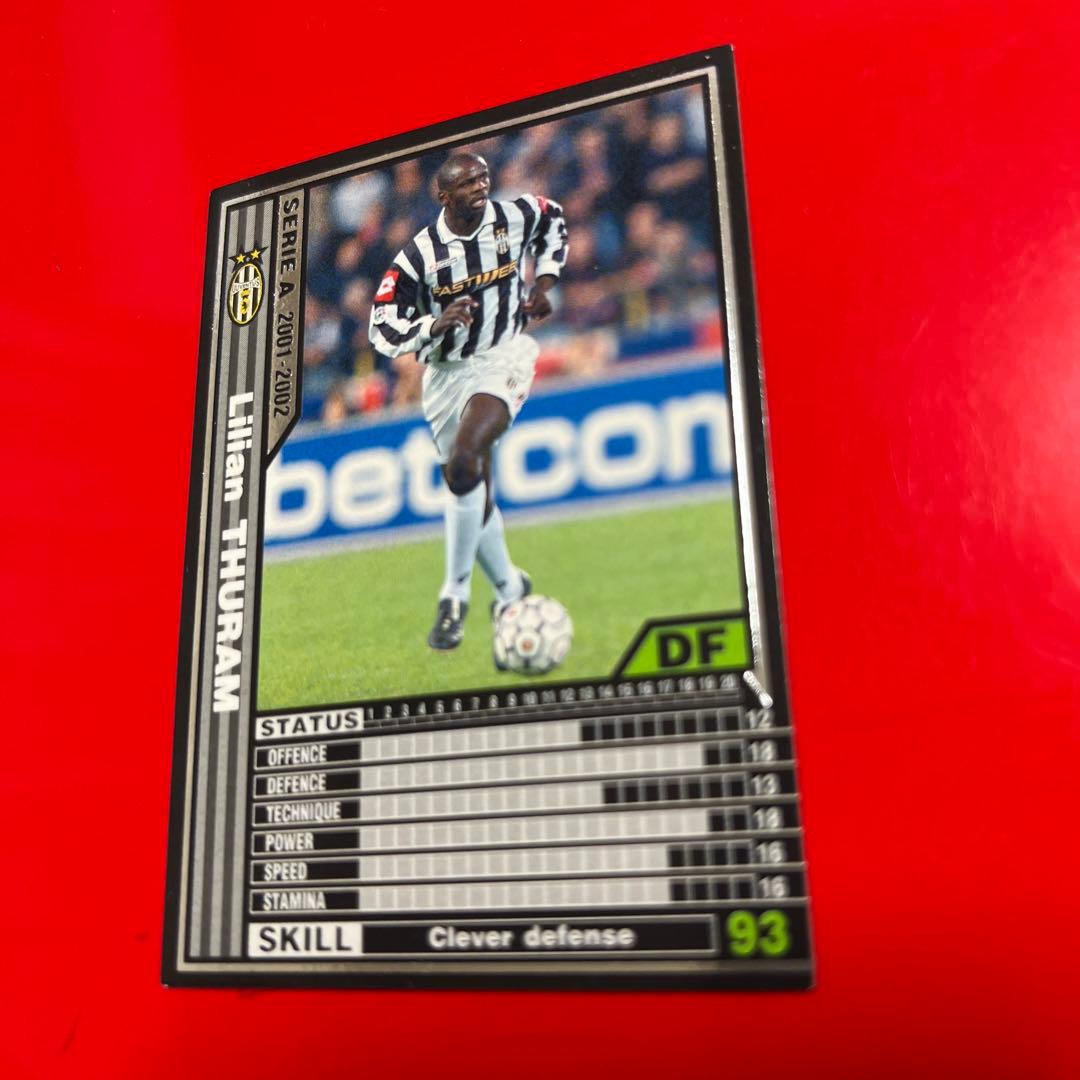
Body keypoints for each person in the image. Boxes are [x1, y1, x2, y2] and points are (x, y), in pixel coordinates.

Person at [368, 151, 568, 651]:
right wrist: (430, 326)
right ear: (443, 196)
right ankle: (510, 587)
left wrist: (544, 283)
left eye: (484, 177)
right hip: (445, 375)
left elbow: (553, 219)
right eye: (468, 183)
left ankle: (453, 596)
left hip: (504, 354)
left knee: (466, 458)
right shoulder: (419, 255)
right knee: (470, 484)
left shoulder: (513, 215)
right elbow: (381, 324)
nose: (480, 186)